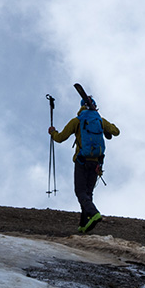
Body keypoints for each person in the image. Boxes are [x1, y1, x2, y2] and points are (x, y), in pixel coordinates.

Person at [49, 96, 120, 233]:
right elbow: (116, 132)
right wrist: (106, 129)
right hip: (97, 163)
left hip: (82, 161)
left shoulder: (77, 120)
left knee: (80, 192)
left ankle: (93, 214)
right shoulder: (100, 120)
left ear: (81, 107)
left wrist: (53, 132)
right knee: (88, 193)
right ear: (95, 106)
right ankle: (84, 224)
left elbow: (60, 138)